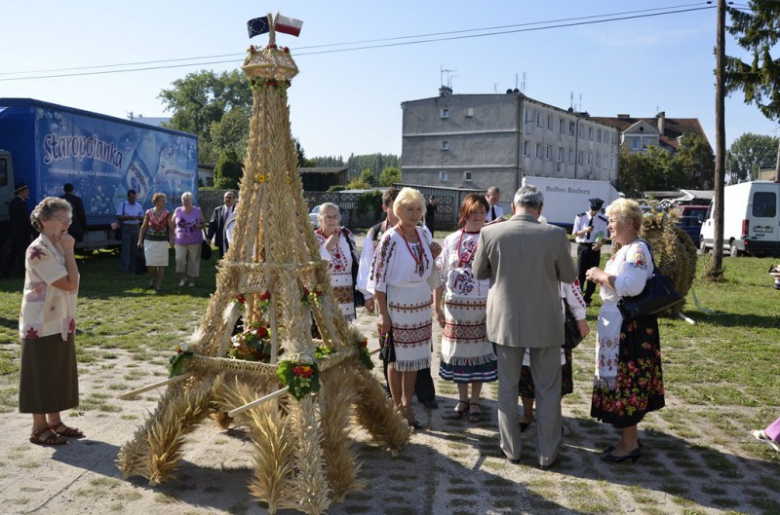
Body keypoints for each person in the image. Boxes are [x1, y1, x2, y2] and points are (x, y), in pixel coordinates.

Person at [472, 185, 576, 468]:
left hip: (505, 322)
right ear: (540, 209)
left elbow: (478, 271)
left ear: (513, 205)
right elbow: (568, 274)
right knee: (548, 389)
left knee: (507, 388)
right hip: (545, 322)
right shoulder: (555, 234)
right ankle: (547, 453)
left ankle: (512, 450)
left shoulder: (491, 232)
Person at [585, 198, 665, 464]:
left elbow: (632, 286)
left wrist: (599, 275)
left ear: (628, 222)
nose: (608, 225)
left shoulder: (637, 250)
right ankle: (627, 437)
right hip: (618, 326)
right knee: (618, 379)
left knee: (625, 382)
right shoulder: (624, 249)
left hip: (629, 330)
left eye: (612, 220)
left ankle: (630, 444)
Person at [358, 187, 440, 408]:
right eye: (408, 209)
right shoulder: (389, 238)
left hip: (420, 305)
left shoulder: (423, 234)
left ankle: (407, 404)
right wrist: (383, 314)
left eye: (418, 209)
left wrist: (433, 255)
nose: (414, 214)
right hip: (396, 305)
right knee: (395, 358)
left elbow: (427, 269)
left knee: (414, 359)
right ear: (398, 210)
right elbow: (378, 279)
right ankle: (398, 407)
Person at [19, 197, 84, 445]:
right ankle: (38, 427)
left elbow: (70, 280)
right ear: (45, 221)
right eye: (62, 219)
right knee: (40, 374)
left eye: (69, 219)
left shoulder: (56, 245)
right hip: (41, 322)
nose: (67, 224)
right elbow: (70, 283)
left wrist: (66, 250)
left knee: (57, 371)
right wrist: (69, 251)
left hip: (60, 319)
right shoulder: (38, 250)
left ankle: (55, 422)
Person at [433, 194, 497, 423]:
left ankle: (476, 400)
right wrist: (436, 307)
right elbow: (440, 276)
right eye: (475, 211)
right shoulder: (450, 240)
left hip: (482, 306)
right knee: (459, 354)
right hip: (455, 308)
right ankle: (462, 399)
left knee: (478, 354)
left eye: (483, 212)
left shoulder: (491, 238)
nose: (479, 216)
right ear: (465, 213)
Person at [519, 280, 590, 431]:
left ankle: (549, 416)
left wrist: (580, 317)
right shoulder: (521, 256)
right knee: (526, 374)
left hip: (555, 324)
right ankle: (527, 414)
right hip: (526, 321)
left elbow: (572, 285)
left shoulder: (559, 257)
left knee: (556, 376)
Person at [314, 202, 360, 322]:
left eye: (335, 216)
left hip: (347, 299)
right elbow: (312, 266)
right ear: (319, 218)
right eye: (327, 217)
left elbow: (356, 260)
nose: (332, 220)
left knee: (347, 334)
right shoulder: (313, 238)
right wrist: (328, 246)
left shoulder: (346, 234)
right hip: (325, 297)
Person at [573, 198, 609, 306]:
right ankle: (578, 297)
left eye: (596, 210)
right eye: (592, 210)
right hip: (583, 247)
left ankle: (587, 298)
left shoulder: (602, 220)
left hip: (594, 248)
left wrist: (600, 245)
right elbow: (575, 233)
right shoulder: (580, 217)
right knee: (580, 273)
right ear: (589, 207)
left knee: (593, 275)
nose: (594, 212)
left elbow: (604, 236)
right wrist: (585, 230)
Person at [137, 192, 173, 292]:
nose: (164, 202)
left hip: (162, 241)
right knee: (150, 262)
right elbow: (144, 227)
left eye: (164, 200)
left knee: (161, 263)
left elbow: (171, 228)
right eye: (162, 200)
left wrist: (171, 239)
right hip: (149, 241)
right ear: (156, 201)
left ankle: (159, 283)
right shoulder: (148, 212)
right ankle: (152, 279)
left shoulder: (167, 213)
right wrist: (140, 240)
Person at [170, 191, 204, 288]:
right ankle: (182, 278)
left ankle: (192, 280)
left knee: (194, 260)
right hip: (180, 240)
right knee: (179, 259)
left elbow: (203, 223)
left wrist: (199, 226)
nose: (186, 202)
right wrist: (172, 235)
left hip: (195, 240)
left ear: (191, 200)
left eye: (188, 200)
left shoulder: (197, 210)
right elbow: (172, 223)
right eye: (184, 200)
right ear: (181, 201)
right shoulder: (178, 210)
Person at [4, 182, 36, 277]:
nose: (27, 193)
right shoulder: (21, 203)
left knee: (14, 253)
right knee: (23, 253)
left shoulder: (13, 202)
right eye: (26, 191)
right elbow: (25, 219)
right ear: (20, 192)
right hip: (22, 233)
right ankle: (24, 273)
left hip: (14, 232)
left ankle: (5, 271)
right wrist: (31, 230)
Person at [116, 189, 145, 273]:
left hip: (136, 227)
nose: (133, 199)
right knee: (126, 249)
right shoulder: (123, 205)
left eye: (134, 198)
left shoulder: (138, 205)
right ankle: (125, 268)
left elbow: (143, 216)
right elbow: (118, 216)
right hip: (126, 227)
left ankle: (132, 267)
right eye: (132, 198)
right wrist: (129, 217)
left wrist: (139, 217)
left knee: (134, 249)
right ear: (128, 197)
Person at [207, 190, 235, 258]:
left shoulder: (237, 210)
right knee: (222, 257)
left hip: (233, 238)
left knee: (234, 257)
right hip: (221, 238)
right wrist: (209, 238)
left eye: (230, 198)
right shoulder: (218, 210)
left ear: (233, 199)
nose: (228, 199)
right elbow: (212, 224)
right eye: (226, 197)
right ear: (224, 199)